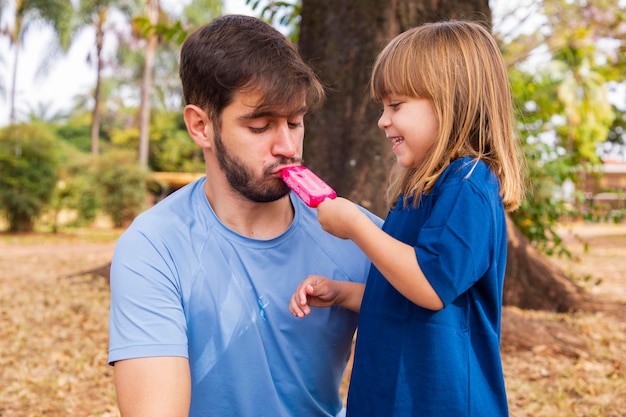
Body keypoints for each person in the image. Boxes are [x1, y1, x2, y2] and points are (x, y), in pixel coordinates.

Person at [108, 14, 382, 417]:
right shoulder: (154, 247)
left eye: (295, 122)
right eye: (260, 127)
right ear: (201, 126)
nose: (287, 146)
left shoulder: (360, 237)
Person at [289, 20, 526, 416]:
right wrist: (342, 293)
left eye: (396, 105)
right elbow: (406, 296)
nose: (383, 120)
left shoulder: (468, 185)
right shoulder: (421, 192)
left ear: (453, 101)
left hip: (440, 403)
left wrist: (354, 225)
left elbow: (430, 286)